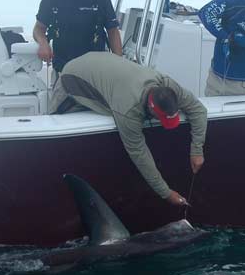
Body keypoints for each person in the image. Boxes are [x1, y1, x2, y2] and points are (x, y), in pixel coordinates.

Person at [57, 52, 208, 206]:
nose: (164, 124)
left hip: (103, 64)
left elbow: (198, 110)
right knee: (55, 120)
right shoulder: (128, 110)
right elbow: (139, 154)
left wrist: (197, 150)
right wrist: (166, 193)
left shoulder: (168, 86)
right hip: (72, 78)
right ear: (151, 108)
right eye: (162, 119)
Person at [32, 0, 123, 111]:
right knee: (57, 115)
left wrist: (119, 64)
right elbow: (38, 28)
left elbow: (112, 31)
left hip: (95, 74)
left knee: (97, 116)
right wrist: (43, 43)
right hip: (63, 72)